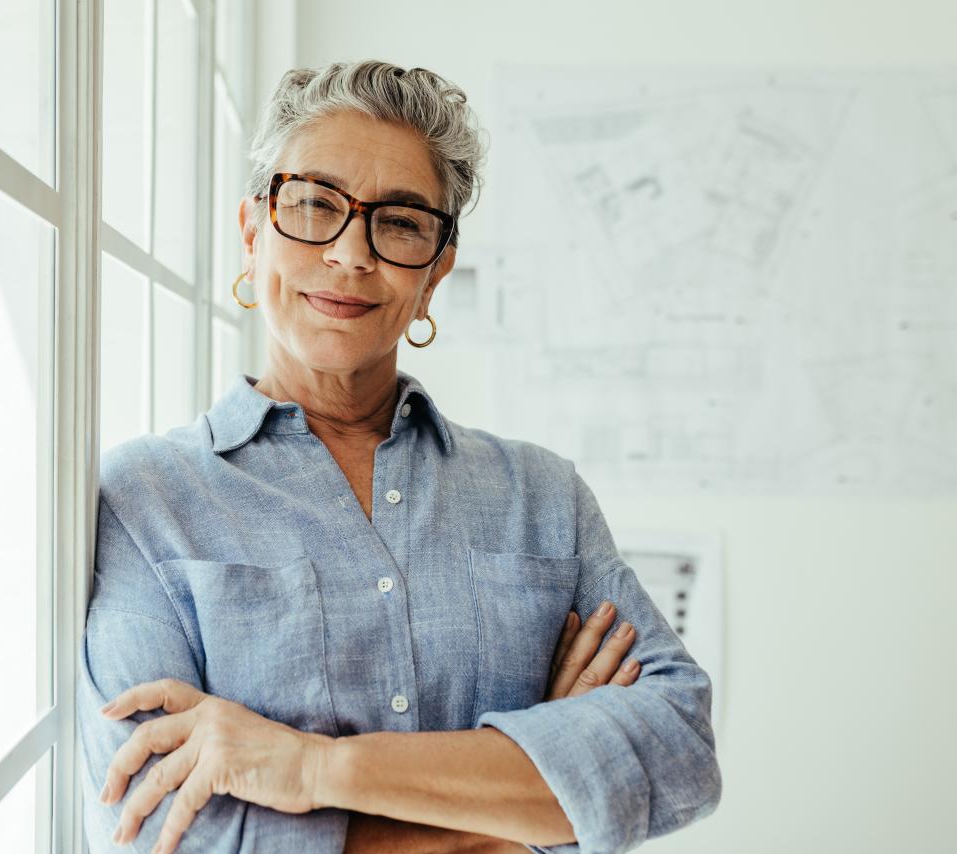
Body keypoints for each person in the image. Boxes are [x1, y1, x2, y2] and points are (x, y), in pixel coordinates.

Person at [77, 59, 721, 854]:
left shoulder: (543, 497)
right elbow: (167, 827)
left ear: (435, 272)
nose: (351, 253)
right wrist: (520, 811)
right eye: (314, 205)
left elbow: (678, 752)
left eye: (403, 222)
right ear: (253, 231)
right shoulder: (146, 499)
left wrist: (314, 771)